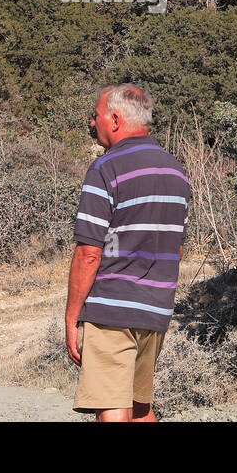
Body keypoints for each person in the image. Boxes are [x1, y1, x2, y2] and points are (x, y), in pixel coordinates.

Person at [66, 83, 191, 421]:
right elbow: (176, 249)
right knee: (139, 409)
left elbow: (89, 253)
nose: (93, 123)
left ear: (116, 120)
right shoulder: (176, 171)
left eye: (96, 116)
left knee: (112, 408)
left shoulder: (105, 168)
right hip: (155, 310)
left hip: (112, 310)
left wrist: (71, 316)